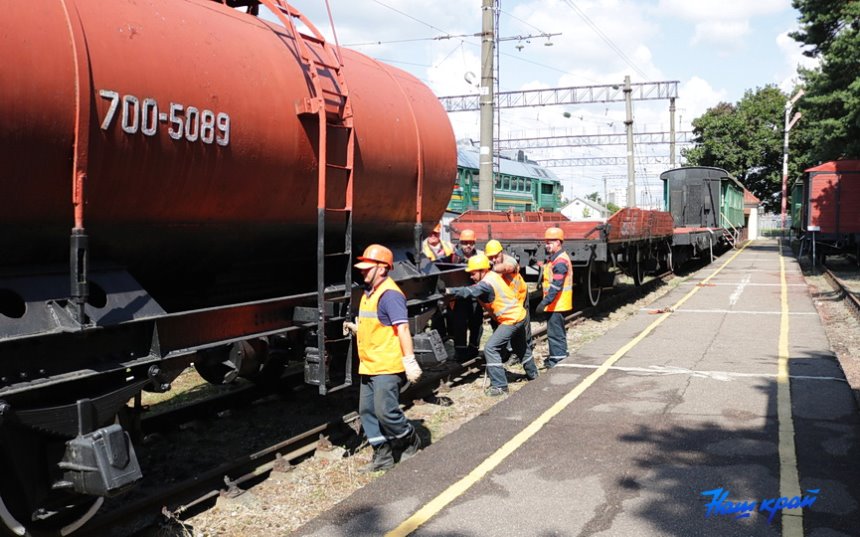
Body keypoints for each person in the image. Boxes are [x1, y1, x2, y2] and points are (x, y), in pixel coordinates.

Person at [349, 244, 423, 472]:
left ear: (382, 269)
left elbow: (402, 329)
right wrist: (357, 328)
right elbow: (378, 324)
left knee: (385, 411)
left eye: (367, 267)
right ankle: (383, 457)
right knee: (367, 412)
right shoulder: (368, 293)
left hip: (387, 365)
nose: (362, 271)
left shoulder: (390, 295)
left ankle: (411, 441)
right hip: (369, 364)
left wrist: (409, 361)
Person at [446, 254, 538, 396]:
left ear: (483, 270)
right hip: (520, 315)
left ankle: (500, 386)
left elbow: (469, 291)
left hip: (511, 319)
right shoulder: (493, 276)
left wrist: (449, 291)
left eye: (473, 273)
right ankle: (534, 375)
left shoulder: (486, 283)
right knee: (521, 347)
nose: (471, 276)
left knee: (490, 348)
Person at [485, 239, 531, 363]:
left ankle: (521, 352)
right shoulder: (490, 264)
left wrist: (491, 268)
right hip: (506, 301)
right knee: (503, 326)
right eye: (491, 257)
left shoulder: (509, 261)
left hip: (519, 296)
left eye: (496, 256)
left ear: (502, 252)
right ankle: (506, 351)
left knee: (522, 327)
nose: (494, 259)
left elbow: (508, 267)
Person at [536, 227, 573, 369]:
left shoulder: (560, 261)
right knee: (558, 332)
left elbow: (556, 286)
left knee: (555, 334)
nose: (547, 245)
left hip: (557, 304)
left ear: (558, 242)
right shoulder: (556, 259)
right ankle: (560, 356)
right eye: (546, 242)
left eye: (550, 242)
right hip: (557, 303)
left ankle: (557, 362)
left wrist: (544, 302)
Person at [449, 229, 483, 360]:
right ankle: (460, 352)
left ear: (474, 243)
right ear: (460, 243)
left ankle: (473, 349)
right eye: (465, 243)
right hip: (459, 297)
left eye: (470, 242)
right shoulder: (453, 257)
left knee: (476, 324)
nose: (468, 245)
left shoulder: (480, 256)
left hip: (476, 296)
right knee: (459, 324)